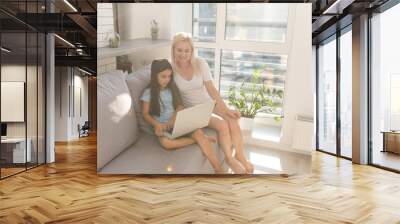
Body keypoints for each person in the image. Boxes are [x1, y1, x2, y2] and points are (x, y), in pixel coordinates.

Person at [171, 32, 254, 174]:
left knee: (232, 119)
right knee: (222, 124)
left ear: (192, 51)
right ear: (173, 50)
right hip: (195, 110)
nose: (183, 54)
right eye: (179, 50)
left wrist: (225, 108)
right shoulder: (171, 70)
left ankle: (240, 155)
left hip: (209, 104)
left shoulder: (200, 63)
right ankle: (229, 158)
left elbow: (211, 89)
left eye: (187, 50)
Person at [141, 59, 224, 174]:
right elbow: (145, 114)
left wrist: (173, 119)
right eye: (163, 76)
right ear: (154, 76)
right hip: (163, 127)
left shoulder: (171, 88)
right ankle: (198, 140)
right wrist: (157, 125)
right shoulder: (148, 93)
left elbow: (179, 106)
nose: (167, 80)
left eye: (169, 76)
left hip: (177, 122)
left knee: (197, 132)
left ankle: (217, 168)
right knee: (166, 143)